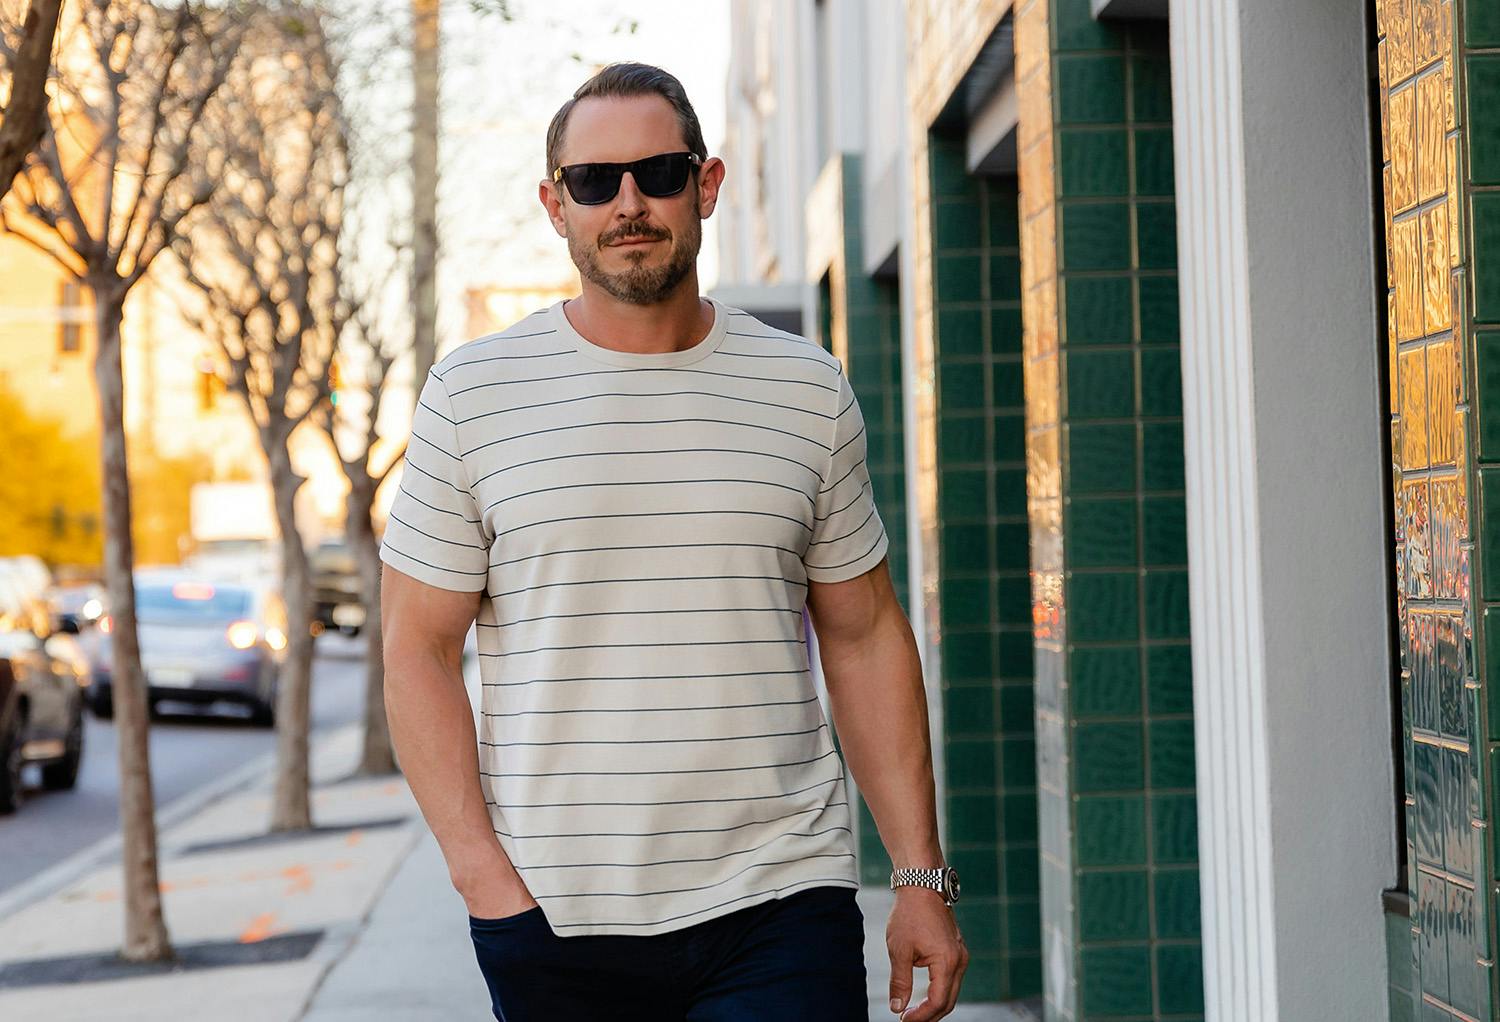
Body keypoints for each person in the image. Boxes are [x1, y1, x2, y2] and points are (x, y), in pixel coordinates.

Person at [378, 61, 968, 1022]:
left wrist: (920, 875)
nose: (628, 203)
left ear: (708, 184)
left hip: (781, 903)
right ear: (553, 203)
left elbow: (864, 637)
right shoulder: (473, 395)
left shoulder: (807, 390)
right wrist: (484, 883)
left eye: (657, 173)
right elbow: (417, 651)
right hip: (554, 921)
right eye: (593, 181)